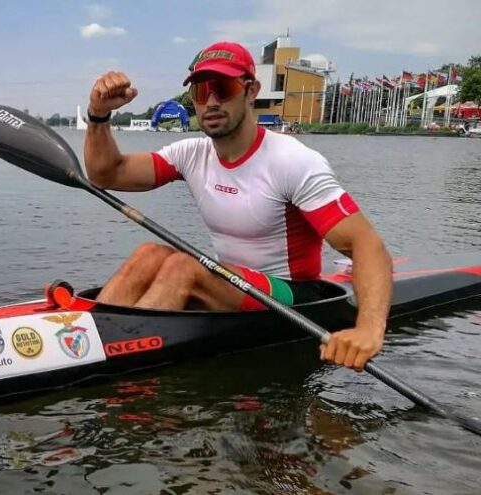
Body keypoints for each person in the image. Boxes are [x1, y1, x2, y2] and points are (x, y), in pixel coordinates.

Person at [83, 41, 393, 371]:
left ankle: (117, 360)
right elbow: (107, 173)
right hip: (233, 284)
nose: (212, 101)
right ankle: (89, 333)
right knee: (150, 254)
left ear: (250, 91)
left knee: (182, 267)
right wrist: (98, 114)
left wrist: (369, 328)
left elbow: (366, 246)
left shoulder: (293, 161)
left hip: (294, 295)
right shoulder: (191, 154)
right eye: (202, 92)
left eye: (224, 88)